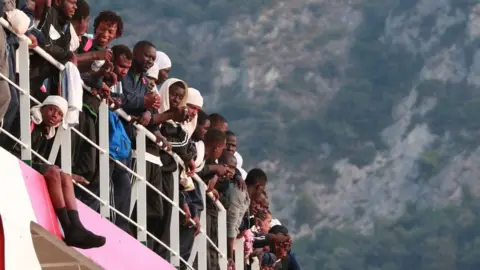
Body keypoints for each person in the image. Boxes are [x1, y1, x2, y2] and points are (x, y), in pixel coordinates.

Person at [12, 95, 105, 249]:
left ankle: (77, 226)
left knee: (66, 176)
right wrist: (48, 168)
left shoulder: (46, 131)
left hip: (28, 163)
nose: (55, 115)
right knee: (55, 172)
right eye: (51, 110)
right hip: (16, 158)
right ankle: (68, 226)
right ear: (42, 108)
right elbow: (15, 149)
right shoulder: (29, 121)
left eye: (60, 114)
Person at [30, 0, 78, 102]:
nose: (75, 7)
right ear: (58, 1)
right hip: (28, 73)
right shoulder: (47, 12)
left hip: (42, 81)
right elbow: (43, 43)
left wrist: (66, 55)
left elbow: (63, 52)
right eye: (72, 2)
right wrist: (67, 55)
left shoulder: (67, 26)